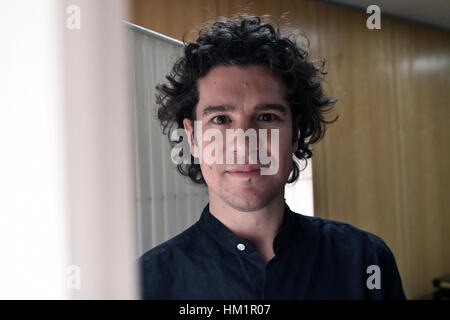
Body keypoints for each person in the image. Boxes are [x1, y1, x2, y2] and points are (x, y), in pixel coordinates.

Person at [139, 14, 406, 300]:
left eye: (266, 117)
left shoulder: (365, 261)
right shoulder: (145, 283)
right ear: (191, 138)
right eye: (220, 120)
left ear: (296, 133)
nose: (243, 145)